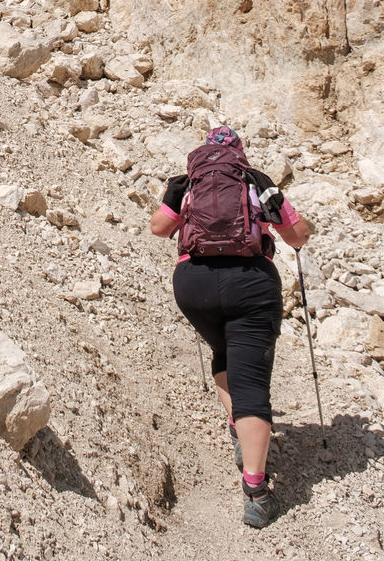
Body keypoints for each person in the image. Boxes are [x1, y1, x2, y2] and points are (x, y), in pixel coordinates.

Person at [149, 126, 311, 529]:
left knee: (223, 351)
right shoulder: (257, 182)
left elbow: (159, 228)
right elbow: (297, 237)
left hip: (194, 285)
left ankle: (239, 426)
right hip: (251, 282)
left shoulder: (185, 184)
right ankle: (256, 491)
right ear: (239, 154)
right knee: (252, 380)